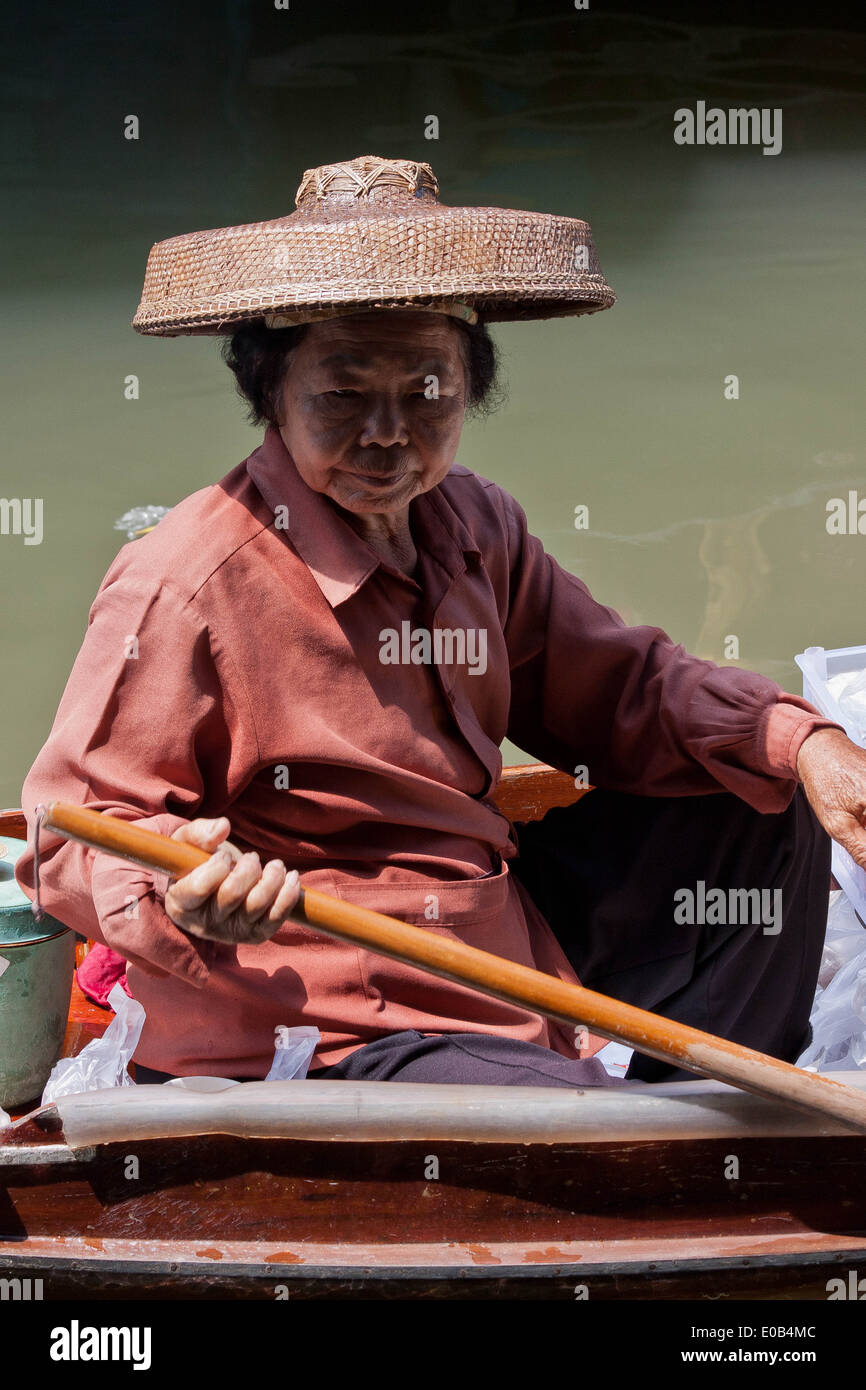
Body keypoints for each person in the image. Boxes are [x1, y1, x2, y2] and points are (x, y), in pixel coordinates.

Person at [15, 156, 866, 1089]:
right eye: (342, 394)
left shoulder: (473, 523)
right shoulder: (183, 582)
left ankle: (709, 1109)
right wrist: (184, 896)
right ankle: (636, 1142)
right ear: (271, 393)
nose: (388, 434)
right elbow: (69, 835)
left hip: (489, 933)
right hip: (324, 1016)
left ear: (470, 389)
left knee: (762, 792)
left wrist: (804, 741)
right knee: (568, 1128)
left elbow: (625, 687)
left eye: (426, 390)